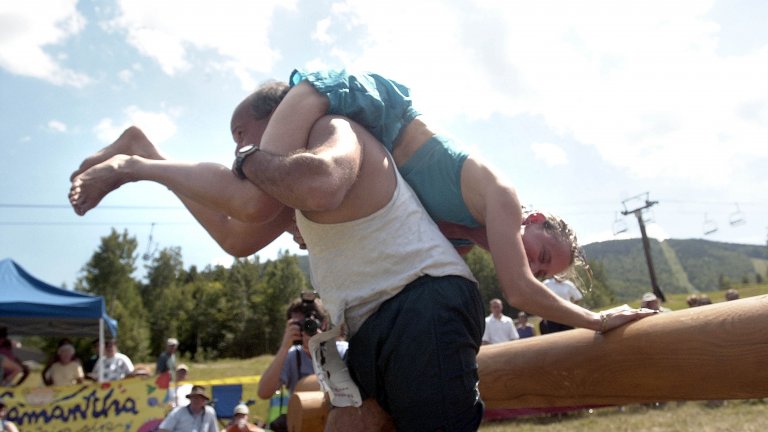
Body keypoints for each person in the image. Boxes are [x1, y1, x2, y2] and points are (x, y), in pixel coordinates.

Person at [69, 79, 656, 431]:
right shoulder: (474, 213)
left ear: (278, 120)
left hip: (418, 307)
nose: (240, 147)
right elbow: (236, 236)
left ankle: (137, 160)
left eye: (244, 133)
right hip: (369, 323)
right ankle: (141, 152)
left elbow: (317, 182)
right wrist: (159, 168)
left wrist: (595, 319)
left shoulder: (337, 125)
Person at [257, 295, 347, 431]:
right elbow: (263, 392)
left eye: (309, 324)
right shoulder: (291, 356)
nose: (305, 329)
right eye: (299, 325)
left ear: (323, 324)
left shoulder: (343, 351)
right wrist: (284, 347)